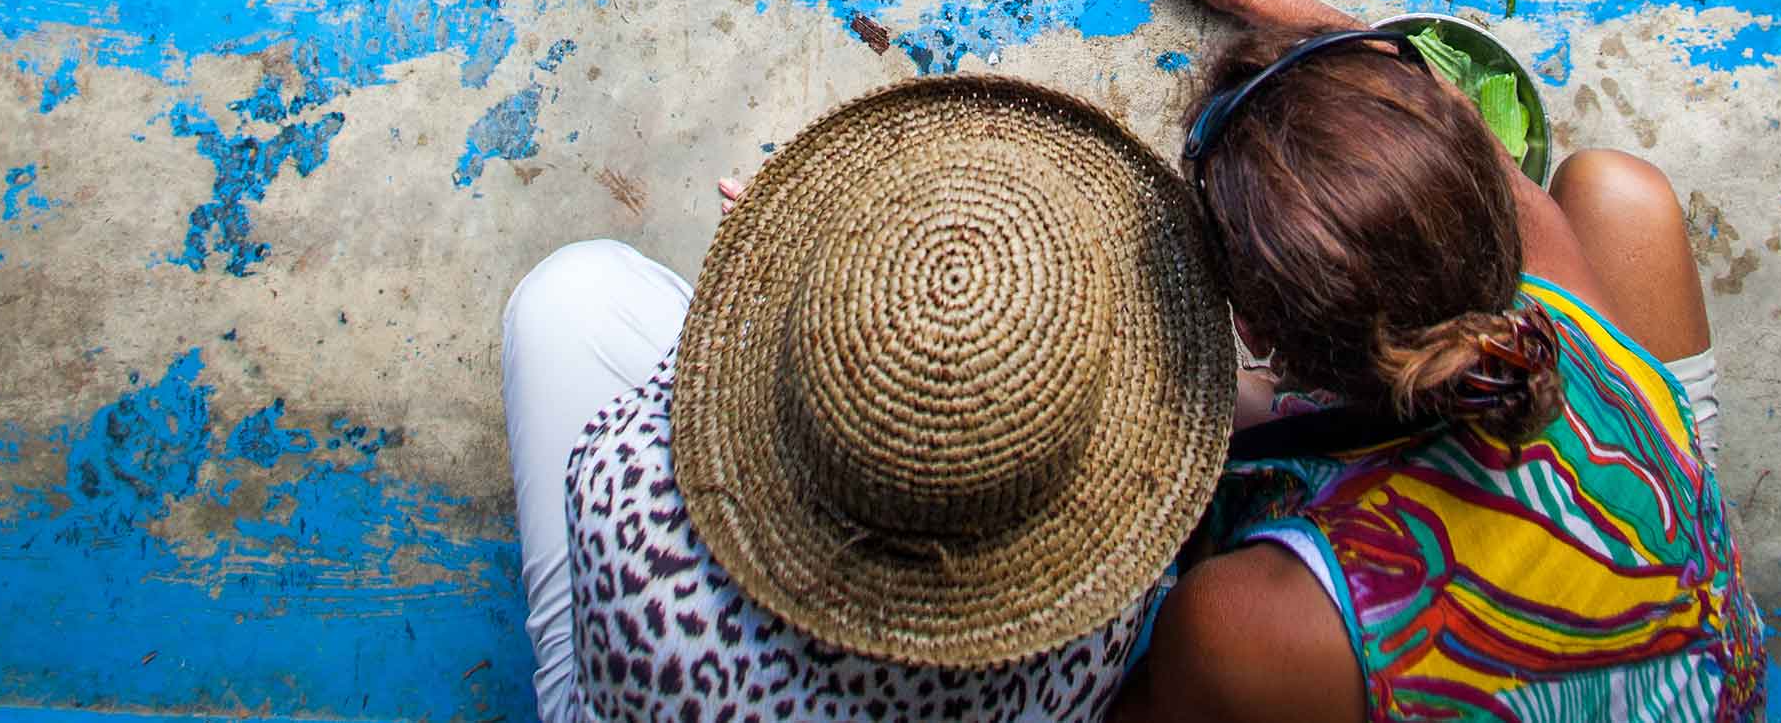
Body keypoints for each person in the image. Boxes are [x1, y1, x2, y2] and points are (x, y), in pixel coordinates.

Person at [1114, 0, 1765, 723]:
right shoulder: (1556, 289)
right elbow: (1433, 100)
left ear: (1251, 324)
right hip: (1671, 634)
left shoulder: (1241, 620)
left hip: (1424, 660)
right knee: (1620, 190)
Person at [499, 75, 1233, 722]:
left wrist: (782, 297)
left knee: (566, 298)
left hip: (663, 679)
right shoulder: (1102, 591)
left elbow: (693, 392)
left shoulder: (620, 501)